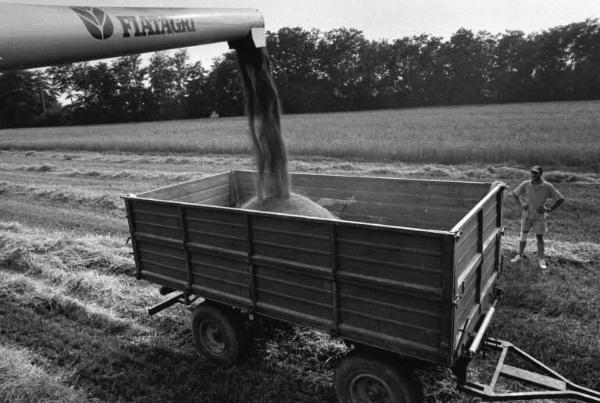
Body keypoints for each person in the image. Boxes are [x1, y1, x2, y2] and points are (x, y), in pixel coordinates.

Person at [510, 165, 564, 270]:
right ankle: (519, 255)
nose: (533, 175)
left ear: (540, 174)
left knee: (539, 237)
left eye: (535, 173)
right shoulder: (526, 184)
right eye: (532, 172)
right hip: (526, 215)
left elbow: (560, 199)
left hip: (539, 217)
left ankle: (541, 258)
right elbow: (514, 194)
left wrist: (549, 209)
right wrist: (521, 204)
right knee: (523, 235)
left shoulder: (547, 186)